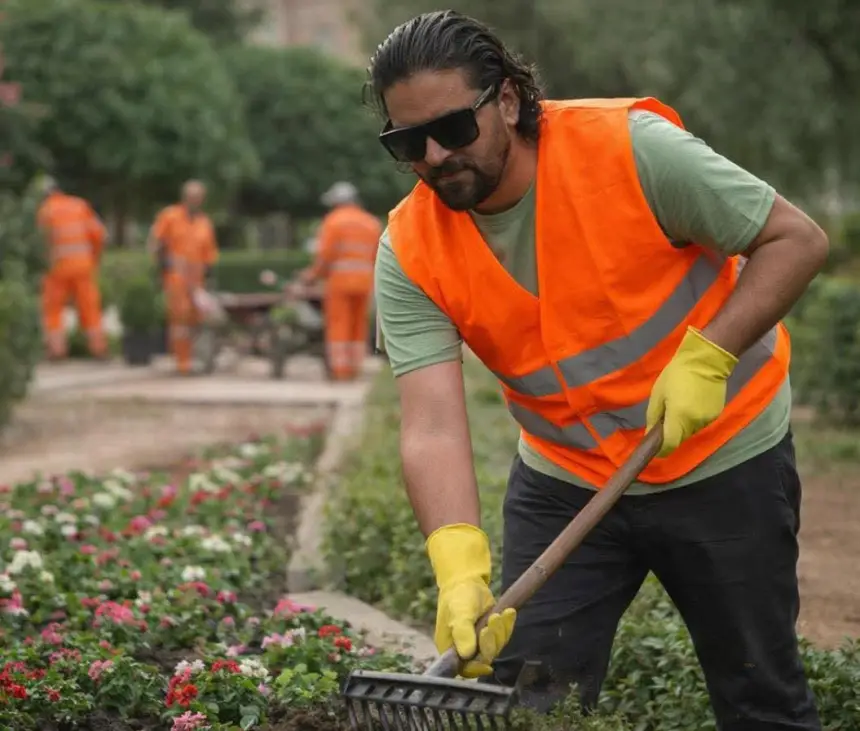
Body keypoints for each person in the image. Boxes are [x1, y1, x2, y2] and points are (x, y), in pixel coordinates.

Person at [369, 10, 829, 730]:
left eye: (453, 129)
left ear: (509, 101)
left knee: (758, 695)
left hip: (721, 457)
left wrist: (711, 355)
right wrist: (457, 562)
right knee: (530, 699)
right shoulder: (410, 249)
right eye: (406, 141)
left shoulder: (629, 150)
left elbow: (795, 238)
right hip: (567, 476)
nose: (432, 155)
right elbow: (430, 423)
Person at [300, 181, 382, 381]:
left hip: (339, 283)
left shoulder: (333, 221)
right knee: (358, 326)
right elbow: (378, 256)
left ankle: (340, 371)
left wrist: (310, 276)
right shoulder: (371, 223)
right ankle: (355, 368)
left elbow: (325, 257)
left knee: (339, 325)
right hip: (365, 283)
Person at [147, 180, 219, 375]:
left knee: (198, 320)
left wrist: (209, 276)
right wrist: (161, 263)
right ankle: (183, 363)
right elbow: (156, 242)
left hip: (197, 282)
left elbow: (209, 254)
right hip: (176, 279)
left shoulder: (204, 223)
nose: (195, 200)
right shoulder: (170, 216)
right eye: (192, 196)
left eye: (199, 197)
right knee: (180, 320)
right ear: (184, 197)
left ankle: (198, 359)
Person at [37, 176, 108, 360]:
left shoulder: (45, 212)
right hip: (83, 266)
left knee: (53, 310)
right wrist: (93, 259)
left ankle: (57, 351)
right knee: (90, 307)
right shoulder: (79, 206)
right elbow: (99, 235)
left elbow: (41, 244)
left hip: (57, 268)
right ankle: (98, 349)